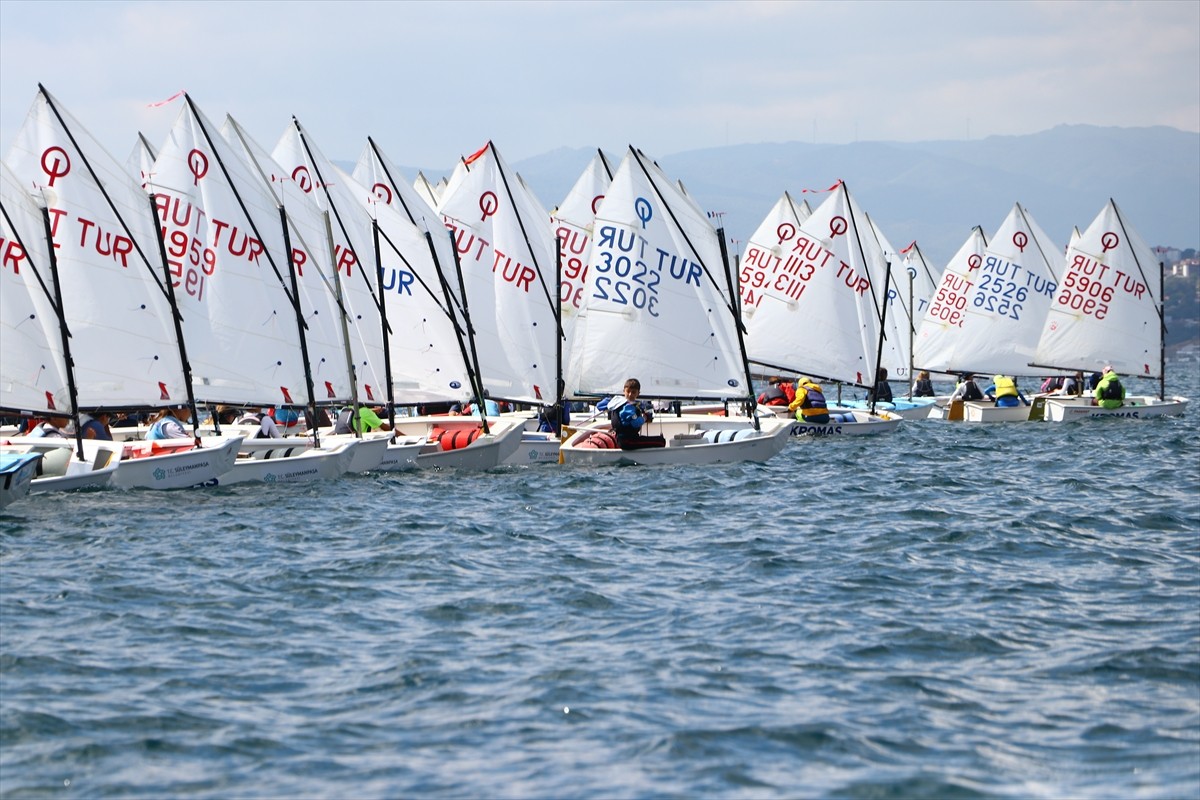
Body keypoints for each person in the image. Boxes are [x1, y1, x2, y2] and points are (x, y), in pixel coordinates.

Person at [607, 378, 665, 449]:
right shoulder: (627, 407)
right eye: (628, 391)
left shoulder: (618, 403)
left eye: (633, 392)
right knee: (661, 441)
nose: (630, 394)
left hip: (625, 440)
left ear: (638, 393)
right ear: (623, 391)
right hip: (628, 441)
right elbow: (636, 423)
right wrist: (645, 417)